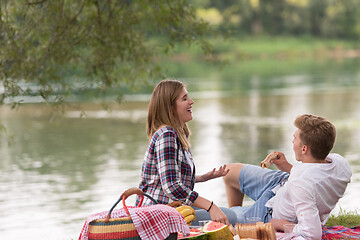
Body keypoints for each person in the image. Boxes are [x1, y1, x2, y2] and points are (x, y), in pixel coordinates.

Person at [223, 114, 352, 239]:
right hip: (282, 183)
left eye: (294, 138)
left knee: (218, 218)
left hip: (269, 215)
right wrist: (287, 167)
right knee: (228, 171)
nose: (292, 141)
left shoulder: (301, 184)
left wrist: (279, 224)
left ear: (304, 149)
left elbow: (312, 233)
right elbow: (314, 175)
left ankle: (238, 227)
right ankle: (237, 217)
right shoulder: (340, 163)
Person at [136, 79, 237, 225]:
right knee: (230, 216)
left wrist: (202, 178)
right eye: (184, 99)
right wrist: (210, 206)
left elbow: (167, 176)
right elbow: (171, 186)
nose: (191, 101)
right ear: (170, 107)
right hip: (157, 218)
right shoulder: (167, 135)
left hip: (172, 211)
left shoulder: (178, 133)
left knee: (229, 215)